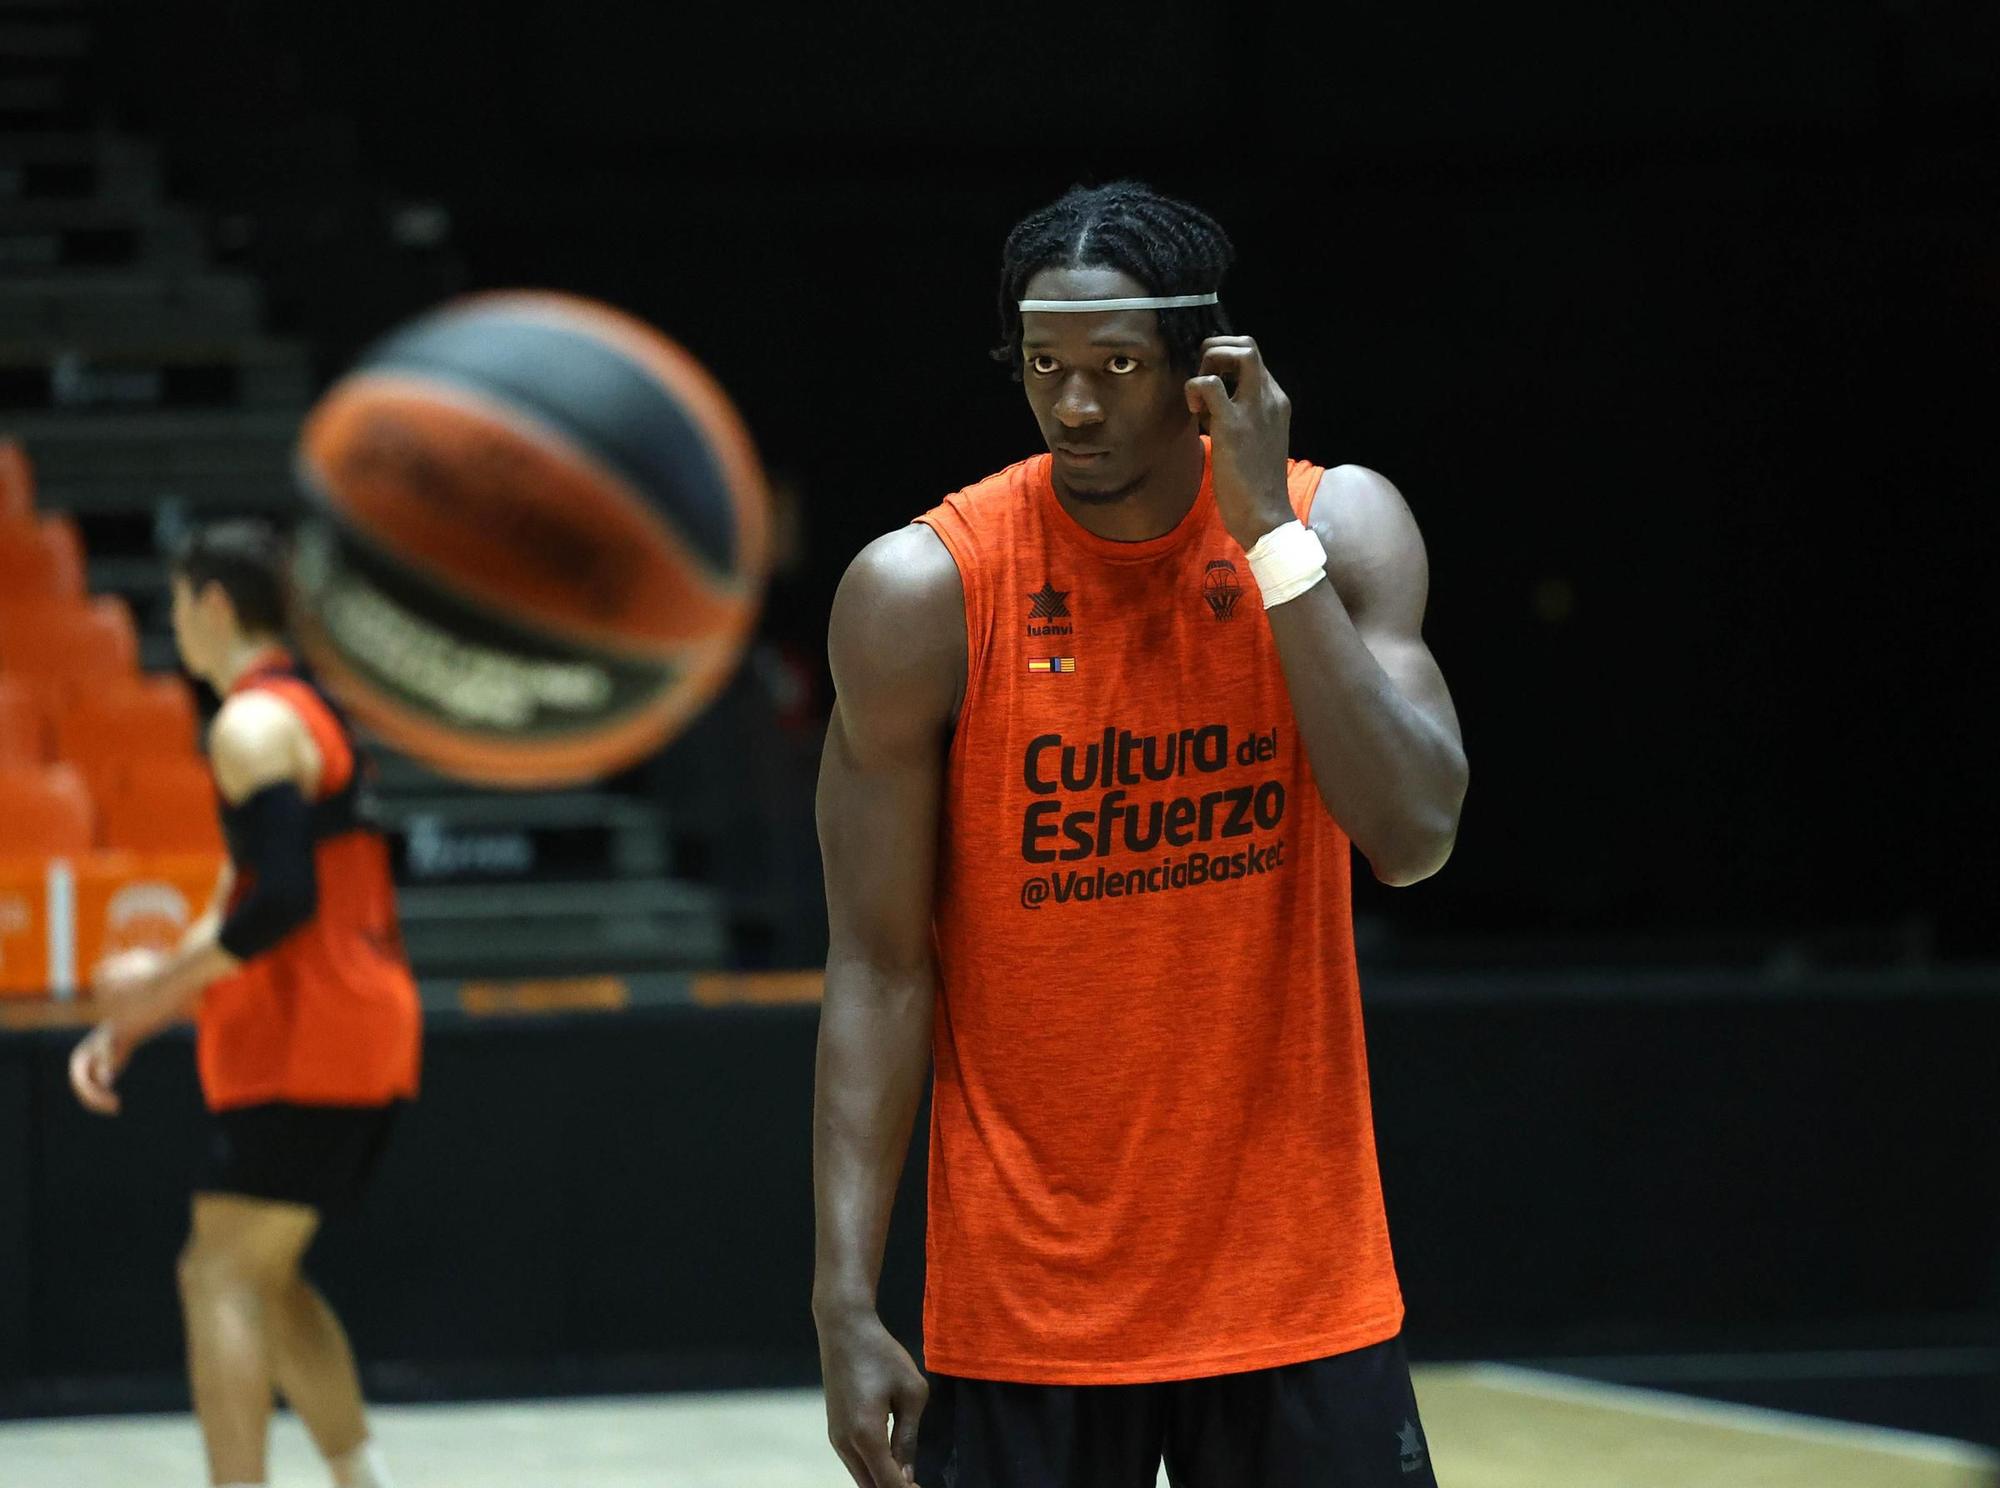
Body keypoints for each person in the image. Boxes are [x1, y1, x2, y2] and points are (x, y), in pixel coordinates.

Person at [813, 181, 1469, 1488]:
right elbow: (879, 966)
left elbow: (1413, 832)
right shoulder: (922, 595)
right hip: (1027, 1308)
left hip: (1294, 1286)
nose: (1073, 405)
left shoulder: (1337, 531)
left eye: (1115, 367)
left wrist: (1268, 540)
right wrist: (843, 1299)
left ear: (1206, 370)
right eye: (1045, 366)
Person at [69, 520, 419, 1488]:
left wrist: (155, 989)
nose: (172, 624)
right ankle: (362, 1480)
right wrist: (136, 1012)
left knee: (215, 1273)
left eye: (177, 603)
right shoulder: (310, 714)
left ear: (212, 604)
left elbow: (281, 903)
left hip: (311, 1033)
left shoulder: (251, 724)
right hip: (362, 1028)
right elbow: (249, 897)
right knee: (266, 1275)